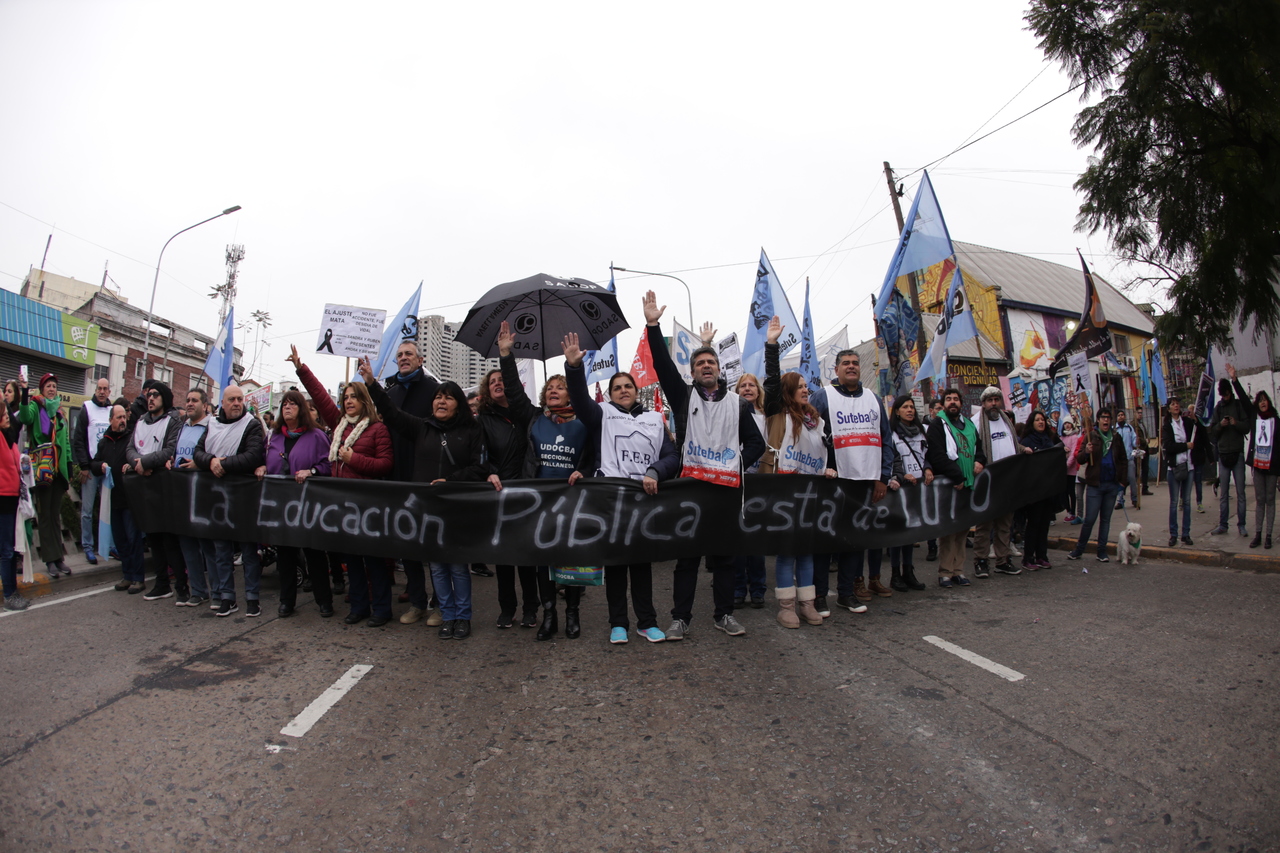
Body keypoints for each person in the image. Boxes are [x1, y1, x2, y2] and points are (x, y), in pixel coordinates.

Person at [643, 291, 766, 640]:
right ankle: (680, 618)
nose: (706, 366)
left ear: (718, 368)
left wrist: (736, 464)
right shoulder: (683, 397)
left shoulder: (736, 404)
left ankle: (724, 614)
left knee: (725, 558)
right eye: (700, 364)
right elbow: (663, 367)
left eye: (711, 362)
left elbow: (756, 443)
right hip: (691, 490)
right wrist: (653, 325)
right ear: (693, 372)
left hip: (725, 490)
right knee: (687, 559)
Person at [564, 332, 679, 644]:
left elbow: (671, 456)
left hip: (645, 499)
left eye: (628, 386)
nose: (623, 390)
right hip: (611, 499)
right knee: (615, 564)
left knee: (641, 564)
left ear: (636, 390)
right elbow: (579, 400)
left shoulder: (656, 419)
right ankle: (618, 623)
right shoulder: (601, 413)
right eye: (617, 387)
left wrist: (655, 470)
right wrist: (574, 368)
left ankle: (647, 621)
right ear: (611, 394)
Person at [361, 356, 485, 640]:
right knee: (438, 568)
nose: (441, 401)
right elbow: (391, 413)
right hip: (427, 510)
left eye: (448, 398)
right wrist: (371, 383)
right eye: (437, 397)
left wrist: (450, 482)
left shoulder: (471, 430)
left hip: (457, 509)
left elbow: (480, 467)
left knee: (457, 566)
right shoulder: (422, 428)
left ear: (459, 404)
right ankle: (447, 615)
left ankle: (463, 617)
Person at [495, 321, 594, 640]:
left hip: (572, 503)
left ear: (570, 394)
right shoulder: (534, 418)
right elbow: (512, 391)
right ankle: (549, 614)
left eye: (560, 387)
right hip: (538, 504)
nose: (553, 390)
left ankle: (572, 614)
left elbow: (593, 461)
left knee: (572, 560)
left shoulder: (584, 423)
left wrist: (586, 474)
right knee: (542, 562)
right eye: (550, 387)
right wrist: (506, 355)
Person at [291, 347, 395, 621]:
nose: (348, 401)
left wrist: (354, 458)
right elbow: (319, 397)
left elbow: (385, 465)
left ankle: (382, 610)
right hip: (343, 507)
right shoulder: (339, 426)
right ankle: (359, 607)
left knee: (373, 562)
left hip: (367, 507)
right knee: (353, 561)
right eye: (345, 397)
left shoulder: (377, 429)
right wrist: (301, 368)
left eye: (353, 397)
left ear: (364, 400)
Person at [760, 326, 836, 628]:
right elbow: (772, 380)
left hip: (811, 494)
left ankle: (807, 603)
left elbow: (822, 455)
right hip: (783, 493)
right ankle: (786, 606)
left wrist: (828, 470)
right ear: (788, 392)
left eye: (807, 386)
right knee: (787, 551)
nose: (806, 390)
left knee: (806, 549)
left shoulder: (816, 421)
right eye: (800, 386)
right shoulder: (779, 413)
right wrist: (772, 345)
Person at [809, 348, 894, 611]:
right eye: (845, 363)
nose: (851, 367)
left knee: (853, 540)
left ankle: (846, 593)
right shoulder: (823, 397)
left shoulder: (873, 398)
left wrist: (883, 476)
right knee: (825, 541)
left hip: (864, 481)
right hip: (831, 481)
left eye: (855, 363)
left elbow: (885, 438)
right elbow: (809, 437)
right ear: (836, 370)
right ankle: (820, 595)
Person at [260, 385, 340, 620]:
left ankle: (324, 600)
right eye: (284, 404)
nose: (287, 407)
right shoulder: (273, 436)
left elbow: (328, 466)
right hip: (281, 506)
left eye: (293, 403)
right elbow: (264, 459)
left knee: (313, 554)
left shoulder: (316, 436)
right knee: (285, 555)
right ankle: (286, 602)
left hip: (307, 506)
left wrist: (312, 470)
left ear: (302, 409)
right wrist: (262, 465)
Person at [189, 385, 267, 617]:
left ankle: (252, 598)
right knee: (221, 550)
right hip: (216, 499)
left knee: (248, 552)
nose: (236, 403)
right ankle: (227, 597)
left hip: (243, 497)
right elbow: (198, 453)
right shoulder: (212, 424)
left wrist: (222, 464)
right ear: (221, 403)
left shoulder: (251, 425)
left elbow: (253, 456)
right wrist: (211, 460)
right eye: (231, 399)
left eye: (240, 399)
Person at [381, 340, 444, 623]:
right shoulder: (390, 393)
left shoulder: (433, 391)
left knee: (433, 542)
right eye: (399, 356)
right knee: (407, 543)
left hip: (427, 477)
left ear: (421, 360)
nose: (403, 358)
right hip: (397, 476)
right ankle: (417, 601)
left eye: (409, 354)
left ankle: (441, 602)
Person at [475, 359, 540, 629]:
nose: (498, 383)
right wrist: (489, 470)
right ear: (487, 390)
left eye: (502, 380)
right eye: (492, 382)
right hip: (499, 492)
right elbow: (478, 453)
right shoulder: (483, 421)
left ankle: (531, 608)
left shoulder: (525, 413)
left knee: (525, 555)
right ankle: (507, 608)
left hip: (525, 491)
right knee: (503, 556)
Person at [126, 381, 188, 603]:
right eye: (148, 395)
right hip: (145, 486)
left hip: (164, 486)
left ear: (164, 398)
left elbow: (170, 449)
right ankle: (162, 584)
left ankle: (182, 586)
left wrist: (145, 461)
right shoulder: (141, 421)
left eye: (155, 395)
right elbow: (130, 448)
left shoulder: (173, 420)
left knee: (169, 540)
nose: (150, 398)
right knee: (153, 538)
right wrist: (138, 463)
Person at [925, 388, 984, 587]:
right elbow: (937, 455)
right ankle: (945, 573)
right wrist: (957, 476)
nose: (952, 402)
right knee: (949, 531)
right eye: (948, 399)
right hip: (950, 485)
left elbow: (979, 449)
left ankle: (959, 571)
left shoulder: (968, 424)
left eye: (956, 399)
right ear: (944, 404)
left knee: (962, 531)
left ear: (961, 403)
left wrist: (979, 461)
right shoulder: (937, 425)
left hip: (968, 486)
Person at [16, 373, 71, 578]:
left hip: (58, 470)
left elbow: (65, 442)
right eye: (48, 385)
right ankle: (50, 560)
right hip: (41, 468)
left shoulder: (59, 412)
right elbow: (24, 417)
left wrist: (69, 464)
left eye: (54, 386)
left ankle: (59, 558)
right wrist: (24, 392)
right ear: (42, 389)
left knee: (55, 515)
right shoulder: (35, 405)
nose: (51, 389)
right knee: (45, 515)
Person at [972, 386, 1032, 577]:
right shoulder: (976, 423)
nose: (993, 404)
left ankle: (1002, 560)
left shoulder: (1006, 422)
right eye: (989, 400)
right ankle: (981, 561)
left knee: (1005, 525)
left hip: (1007, 482)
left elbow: (1011, 443)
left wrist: (1023, 449)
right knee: (984, 525)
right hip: (987, 482)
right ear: (983, 404)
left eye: (996, 399)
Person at [92, 404, 146, 594]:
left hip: (129, 498)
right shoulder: (104, 442)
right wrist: (100, 466)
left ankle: (139, 578)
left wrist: (131, 466)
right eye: (119, 417)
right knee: (121, 541)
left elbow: (139, 458)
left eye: (124, 417)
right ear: (111, 420)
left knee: (133, 540)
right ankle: (127, 575)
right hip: (112, 500)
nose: (123, 420)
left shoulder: (132, 438)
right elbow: (94, 463)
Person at [172, 389, 217, 607]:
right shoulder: (181, 427)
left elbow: (217, 455)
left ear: (205, 405)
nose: (189, 404)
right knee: (187, 544)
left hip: (203, 492)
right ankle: (198, 591)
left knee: (207, 545)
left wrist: (200, 463)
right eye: (187, 400)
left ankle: (218, 591)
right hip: (182, 492)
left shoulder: (212, 427)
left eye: (194, 400)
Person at [1067, 406, 1129, 562]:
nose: (1106, 420)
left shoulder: (1116, 437)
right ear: (1099, 420)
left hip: (1111, 484)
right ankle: (1079, 550)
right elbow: (1080, 459)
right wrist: (1086, 452)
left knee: (1106, 520)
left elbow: (1122, 460)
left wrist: (1123, 480)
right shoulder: (1091, 436)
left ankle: (1102, 551)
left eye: (1108, 417)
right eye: (1103, 417)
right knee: (1089, 519)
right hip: (1095, 484)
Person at [732, 371, 768, 609]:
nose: (747, 389)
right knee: (737, 539)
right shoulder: (731, 414)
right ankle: (737, 588)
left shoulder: (768, 417)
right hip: (736, 480)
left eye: (751, 385)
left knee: (756, 540)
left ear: (758, 390)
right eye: (742, 385)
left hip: (761, 483)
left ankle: (758, 589)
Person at [888, 395, 931, 591]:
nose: (910, 410)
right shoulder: (891, 433)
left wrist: (928, 468)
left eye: (912, 407)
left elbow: (927, 455)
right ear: (897, 411)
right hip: (900, 488)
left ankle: (909, 572)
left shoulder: (921, 432)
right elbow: (889, 459)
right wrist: (901, 475)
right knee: (898, 534)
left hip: (918, 488)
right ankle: (895, 574)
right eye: (905, 407)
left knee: (912, 533)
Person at [71, 377, 113, 564]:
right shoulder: (87, 408)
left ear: (109, 392)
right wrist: (84, 466)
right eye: (99, 388)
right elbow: (78, 439)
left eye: (105, 389)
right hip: (90, 468)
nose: (102, 392)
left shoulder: (112, 411)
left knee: (108, 510)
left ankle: (108, 545)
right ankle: (88, 546)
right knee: (87, 511)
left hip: (106, 469)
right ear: (95, 390)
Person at [1210, 364, 1252, 537]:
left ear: (1230, 392)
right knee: (1224, 494)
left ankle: (1241, 525)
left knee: (1241, 493)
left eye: (1227, 394)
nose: (1225, 397)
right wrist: (1221, 425)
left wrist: (1236, 423)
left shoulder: (1238, 405)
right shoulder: (1218, 408)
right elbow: (1212, 430)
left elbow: (1247, 427)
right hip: (1224, 455)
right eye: (1223, 394)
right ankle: (1223, 525)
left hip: (1237, 453)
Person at [1019, 410, 1063, 570]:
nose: (1041, 422)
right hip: (1034, 490)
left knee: (1044, 524)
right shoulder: (1028, 441)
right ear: (1032, 423)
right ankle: (1028, 558)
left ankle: (1042, 556)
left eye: (1042, 420)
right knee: (1034, 524)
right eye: (1037, 420)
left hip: (1049, 489)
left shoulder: (1049, 438)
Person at [1162, 396, 1200, 547]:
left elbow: (1198, 431)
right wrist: (1185, 446)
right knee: (1174, 502)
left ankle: (1186, 533)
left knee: (1187, 501)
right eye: (1173, 404)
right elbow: (1169, 446)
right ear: (1169, 408)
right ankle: (1173, 534)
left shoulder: (1186, 422)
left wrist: (1195, 418)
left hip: (1188, 466)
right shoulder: (1167, 425)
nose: (1176, 406)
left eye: (1177, 403)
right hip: (1174, 467)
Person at [0, 405, 28, 611]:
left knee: (11, 549)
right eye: (2, 415)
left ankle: (13, 591)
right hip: (2, 499)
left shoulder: (9, 437)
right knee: (7, 551)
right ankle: (9, 594)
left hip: (13, 500)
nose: (7, 417)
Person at [1244, 389, 1277, 548]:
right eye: (1260, 400)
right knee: (1259, 500)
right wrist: (1235, 380)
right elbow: (1244, 400)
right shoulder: (1254, 419)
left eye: (1265, 400)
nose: (1263, 402)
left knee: (1270, 499)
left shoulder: (1276, 420)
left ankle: (1268, 535)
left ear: (1268, 402)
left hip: (1272, 467)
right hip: (1258, 465)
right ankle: (1258, 534)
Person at [1113, 409, 1140, 509]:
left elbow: (1134, 442)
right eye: (1119, 415)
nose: (1121, 416)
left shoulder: (1129, 428)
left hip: (1129, 458)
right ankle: (1120, 500)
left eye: (1122, 415)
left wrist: (1137, 442)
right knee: (1119, 480)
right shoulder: (1114, 430)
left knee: (1132, 479)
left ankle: (1135, 499)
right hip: (1118, 461)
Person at [1060, 420, 1082, 522]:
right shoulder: (1062, 437)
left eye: (1069, 423)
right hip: (1063, 470)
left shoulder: (1074, 437)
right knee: (1064, 492)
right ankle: (1068, 511)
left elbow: (1073, 452)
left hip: (1071, 469)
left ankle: (1073, 512)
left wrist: (1067, 465)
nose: (1067, 425)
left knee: (1071, 491)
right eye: (1065, 423)